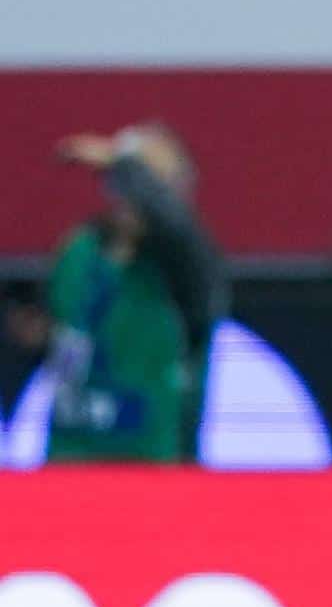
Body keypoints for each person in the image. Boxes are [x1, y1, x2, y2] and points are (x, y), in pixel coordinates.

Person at [45, 124, 225, 462]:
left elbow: (170, 223)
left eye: (141, 180)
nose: (128, 195)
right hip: (69, 461)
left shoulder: (188, 270)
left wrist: (119, 158)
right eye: (120, 181)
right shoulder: (79, 252)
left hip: (152, 468)